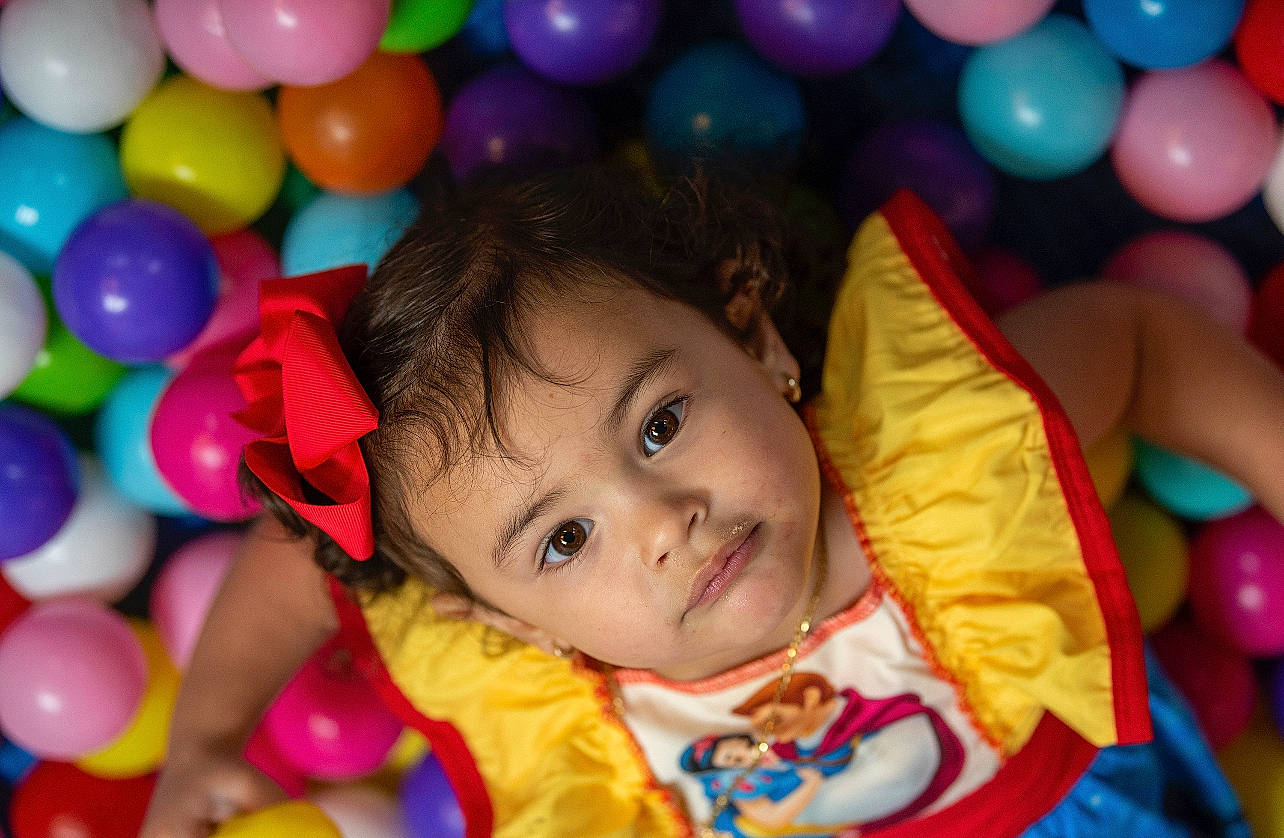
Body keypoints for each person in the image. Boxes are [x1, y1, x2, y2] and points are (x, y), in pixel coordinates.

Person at [140, 163, 1281, 838]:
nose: (660, 518)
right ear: (509, 622)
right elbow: (310, 554)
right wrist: (205, 736)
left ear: (754, 333)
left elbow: (1135, 340)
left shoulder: (941, 461)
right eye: (565, 538)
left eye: (659, 424)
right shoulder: (564, 711)